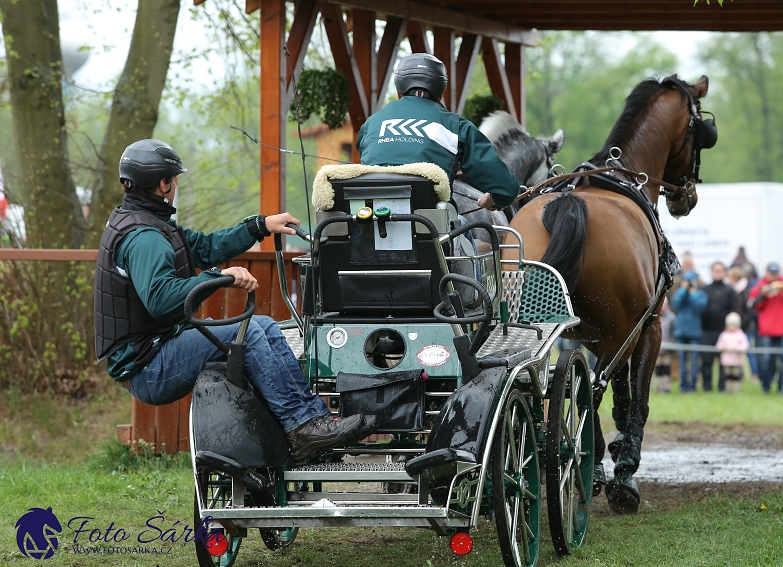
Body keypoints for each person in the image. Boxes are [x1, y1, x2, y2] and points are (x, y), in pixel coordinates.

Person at [94, 139, 377, 464]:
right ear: (163, 183)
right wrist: (220, 277)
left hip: (159, 348)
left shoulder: (150, 222)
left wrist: (259, 226)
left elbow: (204, 247)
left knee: (266, 326)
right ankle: (302, 429)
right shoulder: (144, 237)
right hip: (149, 367)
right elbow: (160, 300)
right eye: (175, 179)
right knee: (249, 332)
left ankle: (313, 424)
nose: (176, 186)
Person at [356, 53, 520, 212]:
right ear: (440, 94)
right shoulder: (457, 127)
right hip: (430, 228)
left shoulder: (372, 123)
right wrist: (491, 199)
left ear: (399, 88)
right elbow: (506, 189)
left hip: (369, 220)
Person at [748, 262, 783, 393]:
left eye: (776, 273)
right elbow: (754, 305)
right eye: (771, 273)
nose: (774, 276)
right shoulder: (760, 285)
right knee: (766, 360)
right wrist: (764, 294)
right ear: (767, 273)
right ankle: (766, 385)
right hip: (766, 330)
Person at [699, 262, 740, 392]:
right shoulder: (705, 290)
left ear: (724, 273)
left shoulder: (730, 291)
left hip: (725, 332)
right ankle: (707, 387)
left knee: (724, 362)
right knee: (706, 361)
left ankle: (723, 388)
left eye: (720, 270)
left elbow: (735, 309)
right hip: (706, 330)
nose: (718, 273)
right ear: (711, 272)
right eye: (715, 270)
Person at [671, 271, 707, 392]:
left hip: (694, 334)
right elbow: (675, 304)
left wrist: (693, 293)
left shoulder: (700, 294)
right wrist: (683, 290)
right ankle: (683, 384)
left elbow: (700, 307)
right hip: (680, 333)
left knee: (693, 361)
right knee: (682, 361)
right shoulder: (679, 294)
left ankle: (693, 385)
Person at [728, 266, 758, 382]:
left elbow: (748, 311)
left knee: (749, 352)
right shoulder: (734, 290)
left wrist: (740, 324)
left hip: (745, 326)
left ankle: (755, 375)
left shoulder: (745, 291)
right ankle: (739, 375)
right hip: (735, 326)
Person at [715, 312, 749, 394]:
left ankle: (736, 389)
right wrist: (723, 347)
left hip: (736, 359)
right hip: (726, 359)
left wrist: (738, 349)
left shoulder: (740, 335)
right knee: (727, 375)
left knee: (736, 375)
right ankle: (728, 389)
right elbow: (719, 344)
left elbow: (745, 345)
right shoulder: (724, 334)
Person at [654, 298, 676, 394]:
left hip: (667, 347)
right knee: (658, 367)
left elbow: (674, 332)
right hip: (656, 347)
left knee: (666, 367)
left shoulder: (671, 317)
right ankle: (659, 385)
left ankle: (666, 386)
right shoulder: (655, 316)